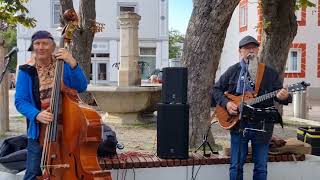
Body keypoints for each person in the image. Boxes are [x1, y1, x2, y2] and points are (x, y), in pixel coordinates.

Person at [213, 35, 292, 180]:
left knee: (261, 168)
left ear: (258, 50)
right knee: (236, 166)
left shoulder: (269, 73)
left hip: (262, 126)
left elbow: (283, 95)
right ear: (240, 51)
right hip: (238, 124)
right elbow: (216, 89)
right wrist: (227, 103)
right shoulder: (233, 71)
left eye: (254, 47)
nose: (251, 50)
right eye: (247, 48)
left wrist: (284, 96)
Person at [15, 30, 88, 180]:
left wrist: (73, 63)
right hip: (40, 131)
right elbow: (20, 101)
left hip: (67, 128)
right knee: (33, 173)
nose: (41, 47)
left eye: (45, 43)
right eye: (37, 43)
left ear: (53, 46)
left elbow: (81, 86)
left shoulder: (64, 65)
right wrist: (37, 114)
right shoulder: (26, 71)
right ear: (33, 47)